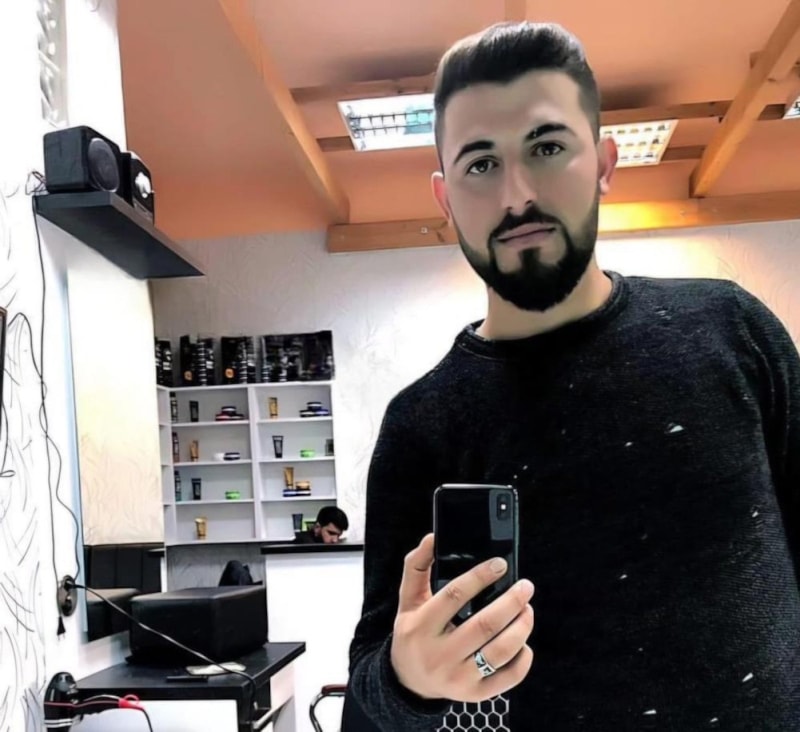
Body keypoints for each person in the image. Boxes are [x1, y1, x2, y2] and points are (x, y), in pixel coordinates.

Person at [344, 21, 800, 732]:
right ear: (445, 199)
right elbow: (369, 695)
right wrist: (409, 681)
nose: (516, 195)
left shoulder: (731, 329)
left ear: (604, 163)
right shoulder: (420, 424)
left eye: (547, 147)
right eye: (480, 164)